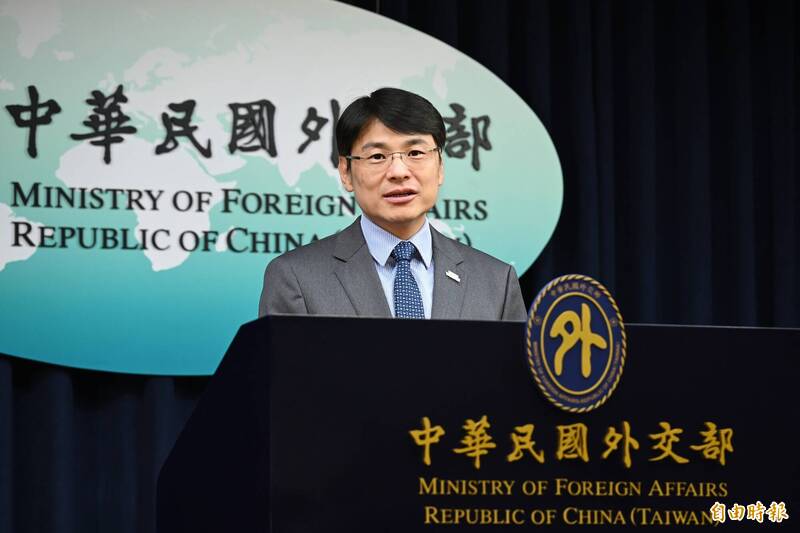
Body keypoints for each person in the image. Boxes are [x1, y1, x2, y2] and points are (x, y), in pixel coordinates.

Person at [258, 87, 526, 321]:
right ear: (346, 172)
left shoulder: (496, 282)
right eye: (377, 156)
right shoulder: (296, 278)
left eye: (415, 153)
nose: (398, 171)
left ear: (440, 167)